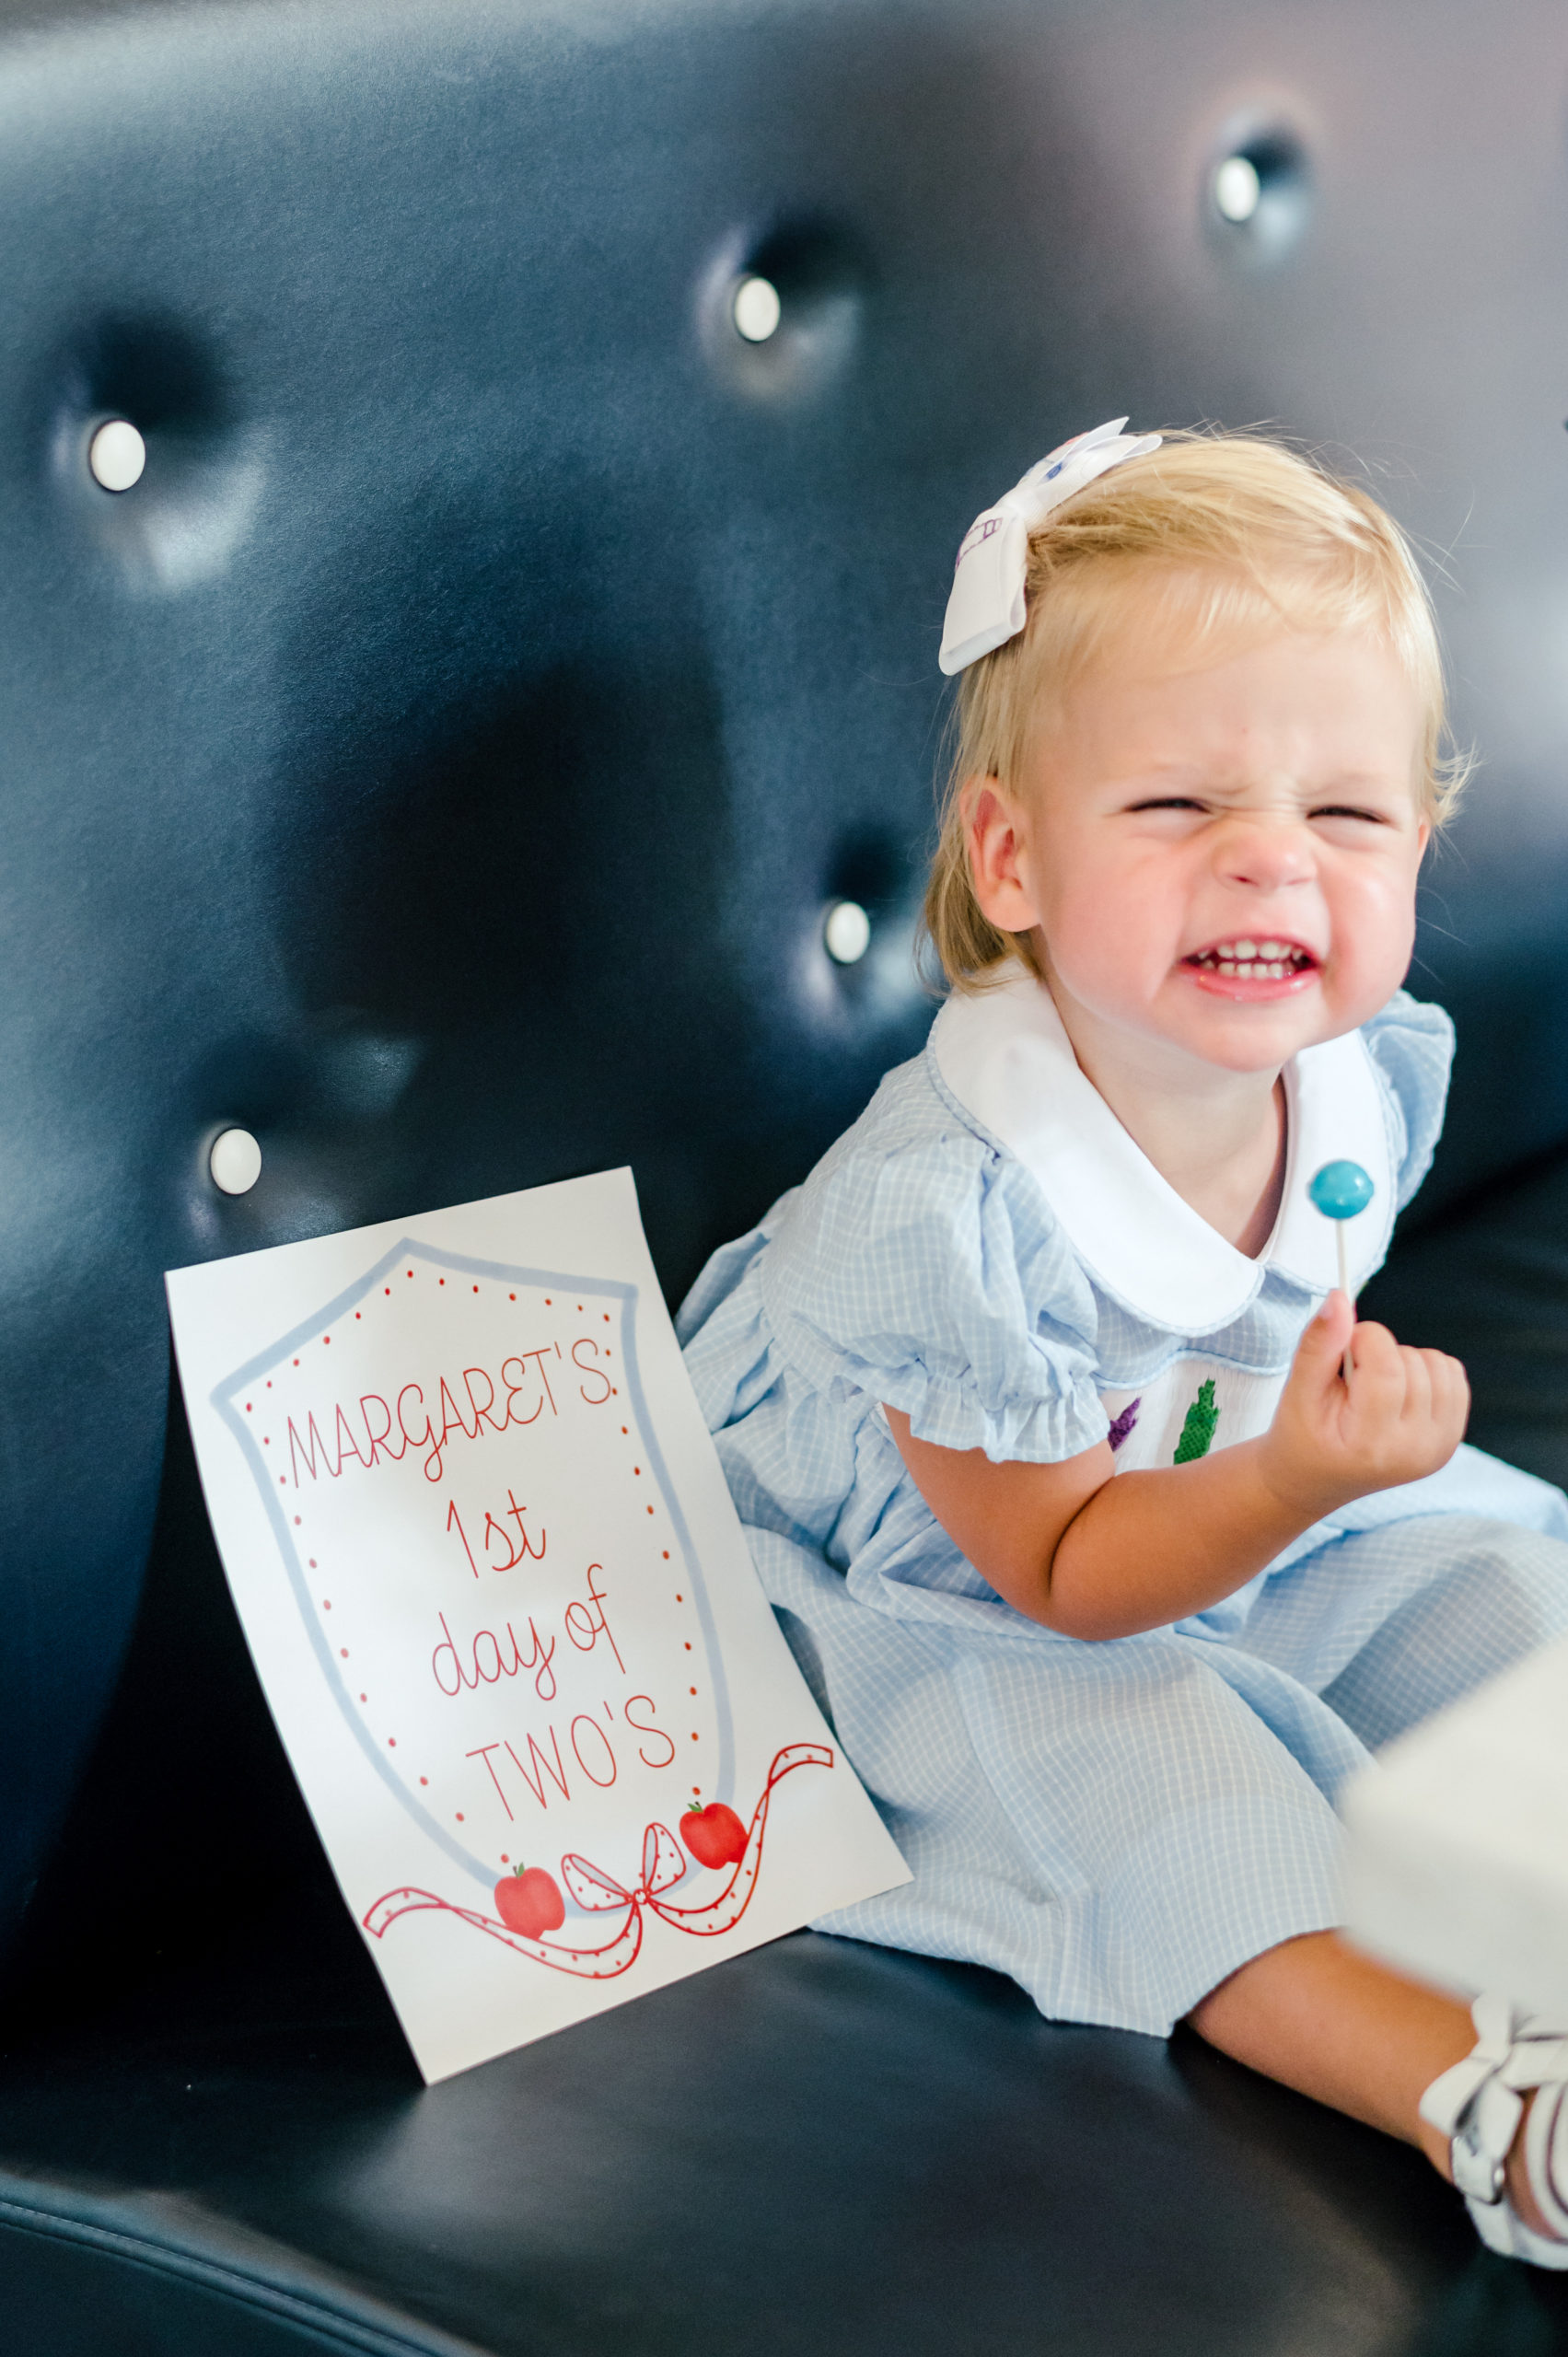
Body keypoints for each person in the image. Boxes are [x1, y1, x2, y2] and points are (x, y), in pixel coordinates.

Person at [678, 423, 1568, 2264]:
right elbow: (1073, 1573)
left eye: (1344, 815)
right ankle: (1487, 2099)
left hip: (1226, 1488)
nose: (1270, 866)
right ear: (1011, 855)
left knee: (1499, 1585)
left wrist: (1317, 1474)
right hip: (959, 1586)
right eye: (1177, 808)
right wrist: (1292, 1470)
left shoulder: (1354, 1074)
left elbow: (1242, 1400)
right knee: (1175, 1788)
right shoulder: (948, 1220)